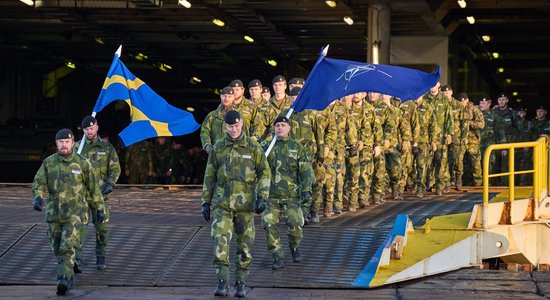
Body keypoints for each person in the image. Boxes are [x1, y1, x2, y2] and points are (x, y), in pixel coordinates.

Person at [201, 110, 271, 298]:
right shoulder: (218, 148)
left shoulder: (253, 147)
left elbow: (265, 172)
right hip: (222, 204)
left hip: (246, 206)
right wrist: (205, 202)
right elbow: (209, 176)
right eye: (230, 126)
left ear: (242, 125)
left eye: (237, 126)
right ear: (225, 126)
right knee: (219, 243)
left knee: (244, 247)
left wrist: (262, 197)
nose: (233, 129)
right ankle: (222, 282)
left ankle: (241, 283)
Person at [32, 128, 105, 296]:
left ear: (73, 143)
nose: (64, 145)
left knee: (66, 247)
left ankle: (63, 279)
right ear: (56, 144)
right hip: (54, 214)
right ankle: (68, 272)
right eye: (61, 142)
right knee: (57, 248)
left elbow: (93, 189)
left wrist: (99, 208)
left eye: (67, 142)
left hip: (75, 214)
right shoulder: (48, 163)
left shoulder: (82, 163)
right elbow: (39, 182)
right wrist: (37, 197)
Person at [261, 116, 314, 270]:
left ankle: (294, 246)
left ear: (289, 128)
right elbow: (255, 169)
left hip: (292, 195)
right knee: (269, 224)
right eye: (277, 125)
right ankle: (277, 255)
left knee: (295, 223)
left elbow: (306, 171)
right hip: (270, 196)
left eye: (283, 125)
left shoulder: (297, 147)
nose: (280, 128)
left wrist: (306, 191)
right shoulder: (265, 147)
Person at [74, 116, 121, 271]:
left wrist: (110, 183)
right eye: (87, 129)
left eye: (92, 128)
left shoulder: (107, 148)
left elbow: (115, 168)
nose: (90, 131)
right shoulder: (77, 148)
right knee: (79, 228)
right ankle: (77, 260)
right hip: (82, 197)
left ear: (97, 127)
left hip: (100, 197)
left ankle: (101, 257)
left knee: (101, 229)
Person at [200, 86, 235, 154]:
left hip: (234, 155)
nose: (226, 99)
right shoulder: (212, 116)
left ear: (233, 98)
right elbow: (204, 131)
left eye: (229, 96)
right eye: (224, 96)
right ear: (220, 97)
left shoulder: (238, 116)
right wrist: (207, 145)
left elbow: (244, 134)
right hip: (215, 154)